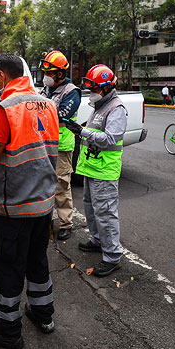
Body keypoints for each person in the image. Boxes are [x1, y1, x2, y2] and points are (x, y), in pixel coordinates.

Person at [0, 53, 59, 349]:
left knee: (9, 267)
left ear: (0, 76)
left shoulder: (5, 107)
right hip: (44, 202)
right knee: (37, 260)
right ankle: (43, 314)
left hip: (16, 205)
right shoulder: (49, 104)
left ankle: (8, 331)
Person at [65, 64, 127, 278]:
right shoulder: (99, 106)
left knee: (106, 214)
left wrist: (83, 132)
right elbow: (95, 132)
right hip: (92, 168)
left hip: (104, 171)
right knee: (90, 208)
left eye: (95, 88)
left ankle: (112, 257)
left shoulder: (116, 108)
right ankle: (98, 240)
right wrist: (80, 129)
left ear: (107, 87)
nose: (91, 91)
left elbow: (111, 138)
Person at [38, 50, 81, 242]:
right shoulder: (47, 89)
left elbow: (58, 114)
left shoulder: (71, 92)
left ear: (60, 74)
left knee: (62, 186)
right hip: (45, 144)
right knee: (45, 184)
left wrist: (40, 110)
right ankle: (46, 218)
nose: (46, 76)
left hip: (62, 146)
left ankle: (66, 224)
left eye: (50, 72)